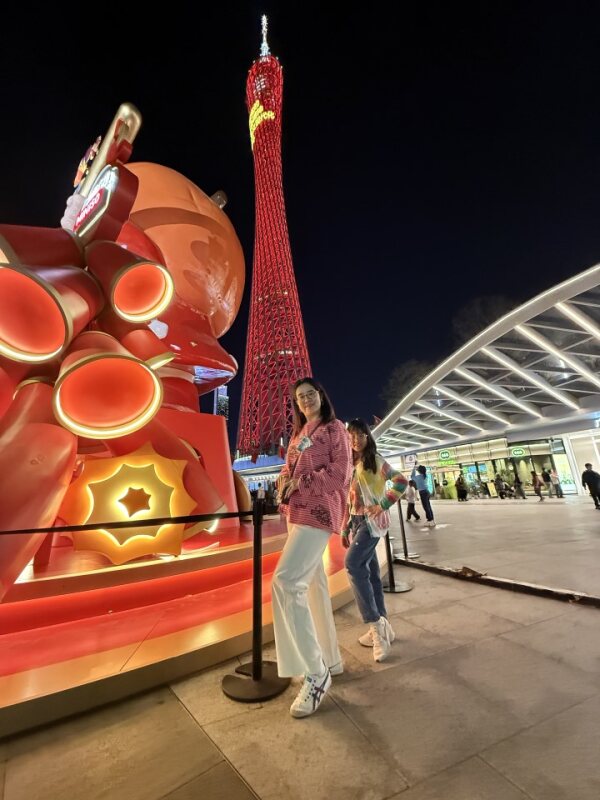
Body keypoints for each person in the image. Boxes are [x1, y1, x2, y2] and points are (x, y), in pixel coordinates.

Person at [272, 377, 352, 718]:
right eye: (300, 397)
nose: (305, 400)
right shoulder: (299, 434)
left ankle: (316, 674)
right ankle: (330, 660)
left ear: (321, 395)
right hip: (296, 512)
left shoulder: (335, 429)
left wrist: (300, 483)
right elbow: (289, 469)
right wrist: (283, 480)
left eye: (310, 394)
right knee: (314, 585)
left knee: (286, 582)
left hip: (318, 512)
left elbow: (340, 474)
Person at [341, 419, 407, 662]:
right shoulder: (351, 464)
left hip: (371, 523)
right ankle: (384, 625)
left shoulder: (375, 461)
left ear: (368, 437)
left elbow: (400, 481)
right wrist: (344, 527)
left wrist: (383, 505)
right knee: (370, 575)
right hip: (357, 523)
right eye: (352, 436)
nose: (356, 440)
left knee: (352, 564)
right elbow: (349, 499)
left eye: (360, 435)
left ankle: (375, 626)